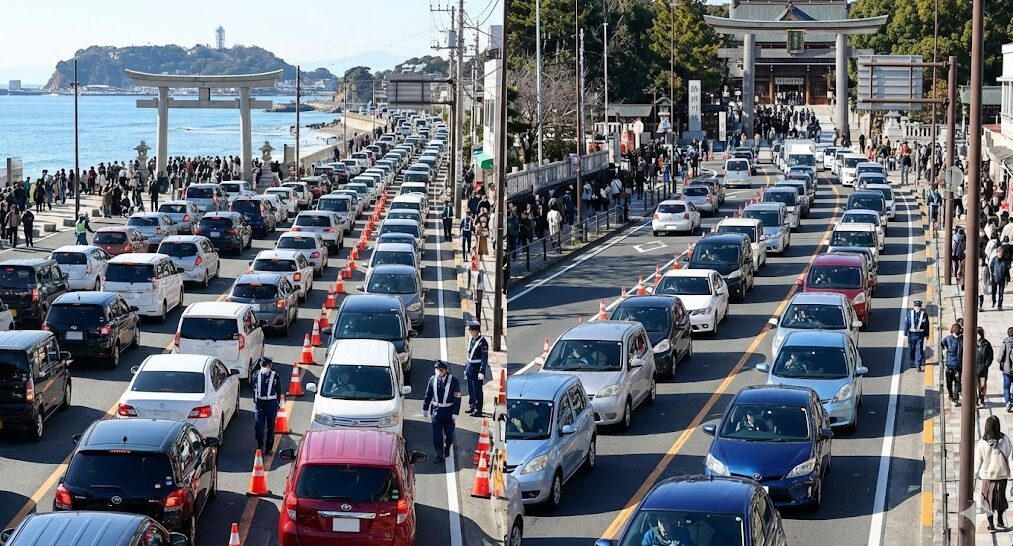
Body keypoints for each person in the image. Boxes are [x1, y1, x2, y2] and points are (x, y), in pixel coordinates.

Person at [975, 415, 1011, 531]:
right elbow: (1010, 458)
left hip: (987, 476)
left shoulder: (982, 442)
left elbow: (977, 461)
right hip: (1002, 474)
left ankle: (991, 524)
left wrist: (975, 475)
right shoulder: (1005, 439)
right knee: (1000, 498)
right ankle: (1000, 520)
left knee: (987, 499)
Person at [422, 360, 461, 463]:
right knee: (437, 435)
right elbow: (428, 395)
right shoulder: (432, 379)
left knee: (449, 434)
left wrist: (455, 413)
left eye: (441, 369)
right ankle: (439, 454)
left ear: (446, 370)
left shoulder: (454, 381)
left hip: (448, 411)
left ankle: (447, 448)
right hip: (436, 411)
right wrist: (425, 408)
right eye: (438, 369)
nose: (439, 371)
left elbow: (457, 397)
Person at [251, 357, 282, 454]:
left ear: (270, 366)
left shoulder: (275, 376)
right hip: (260, 403)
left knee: (270, 426)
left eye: (268, 365)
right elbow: (254, 388)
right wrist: (255, 400)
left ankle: (269, 447)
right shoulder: (256, 375)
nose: (266, 367)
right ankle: (260, 444)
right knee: (259, 426)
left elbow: (278, 390)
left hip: (271, 403)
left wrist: (278, 403)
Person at [464, 321, 490, 416]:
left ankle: (478, 409)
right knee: (471, 388)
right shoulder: (472, 339)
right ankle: (472, 405)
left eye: (472, 330)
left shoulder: (482, 342)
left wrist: (481, 371)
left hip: (477, 368)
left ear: (477, 331)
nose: (471, 332)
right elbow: (469, 354)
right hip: (470, 367)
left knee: (477, 389)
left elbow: (484, 358)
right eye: (470, 330)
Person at [904, 300, 930, 371]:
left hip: (911, 334)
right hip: (920, 335)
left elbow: (906, 323)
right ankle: (918, 365)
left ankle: (912, 362)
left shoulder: (909, 313)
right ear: (921, 306)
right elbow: (927, 325)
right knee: (919, 349)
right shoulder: (924, 314)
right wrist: (927, 334)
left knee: (912, 348)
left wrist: (905, 332)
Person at [942, 323, 964, 406]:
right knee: (957, 382)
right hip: (958, 364)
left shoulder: (947, 339)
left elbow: (942, 345)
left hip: (949, 364)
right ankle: (955, 398)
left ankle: (951, 396)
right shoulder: (962, 339)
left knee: (949, 381)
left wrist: (944, 355)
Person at [978, 327, 996, 406]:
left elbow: (990, 356)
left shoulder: (986, 344)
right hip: (974, 368)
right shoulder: (972, 342)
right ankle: (976, 400)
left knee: (982, 385)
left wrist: (986, 365)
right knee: (975, 385)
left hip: (983, 368)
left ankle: (982, 398)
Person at [998, 327, 1013, 412]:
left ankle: (1008, 402)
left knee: (1006, 387)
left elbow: (1000, 357)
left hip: (1007, 369)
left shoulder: (1005, 342)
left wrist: (1001, 362)